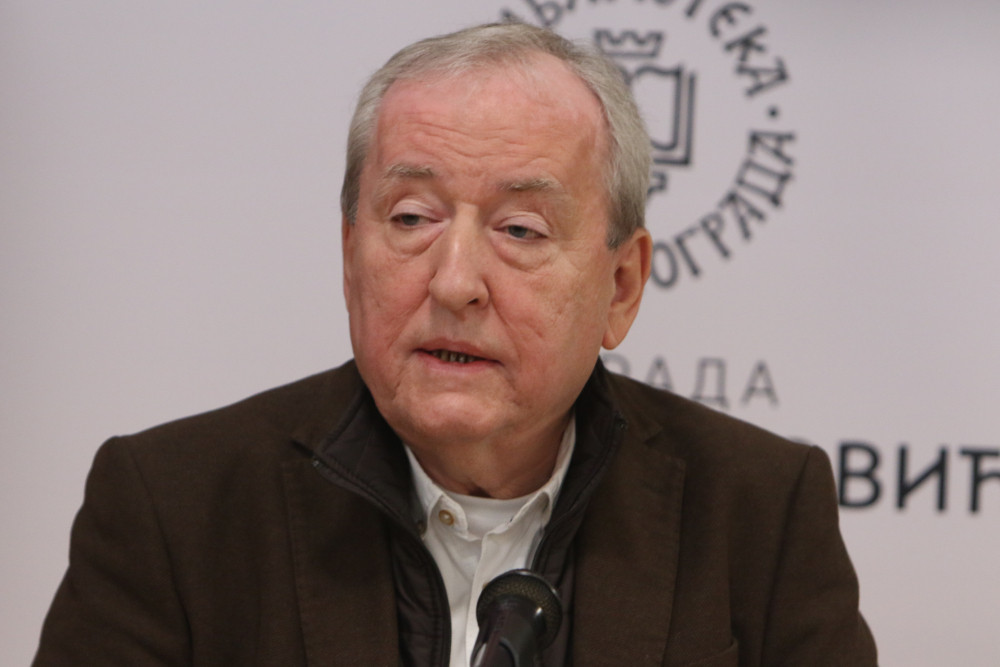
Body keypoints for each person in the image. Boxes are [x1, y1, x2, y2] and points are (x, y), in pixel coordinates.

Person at [34, 21, 877, 666]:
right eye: (411, 218)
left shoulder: (758, 513)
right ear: (350, 256)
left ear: (621, 286)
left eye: (520, 228)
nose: (454, 281)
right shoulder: (173, 509)